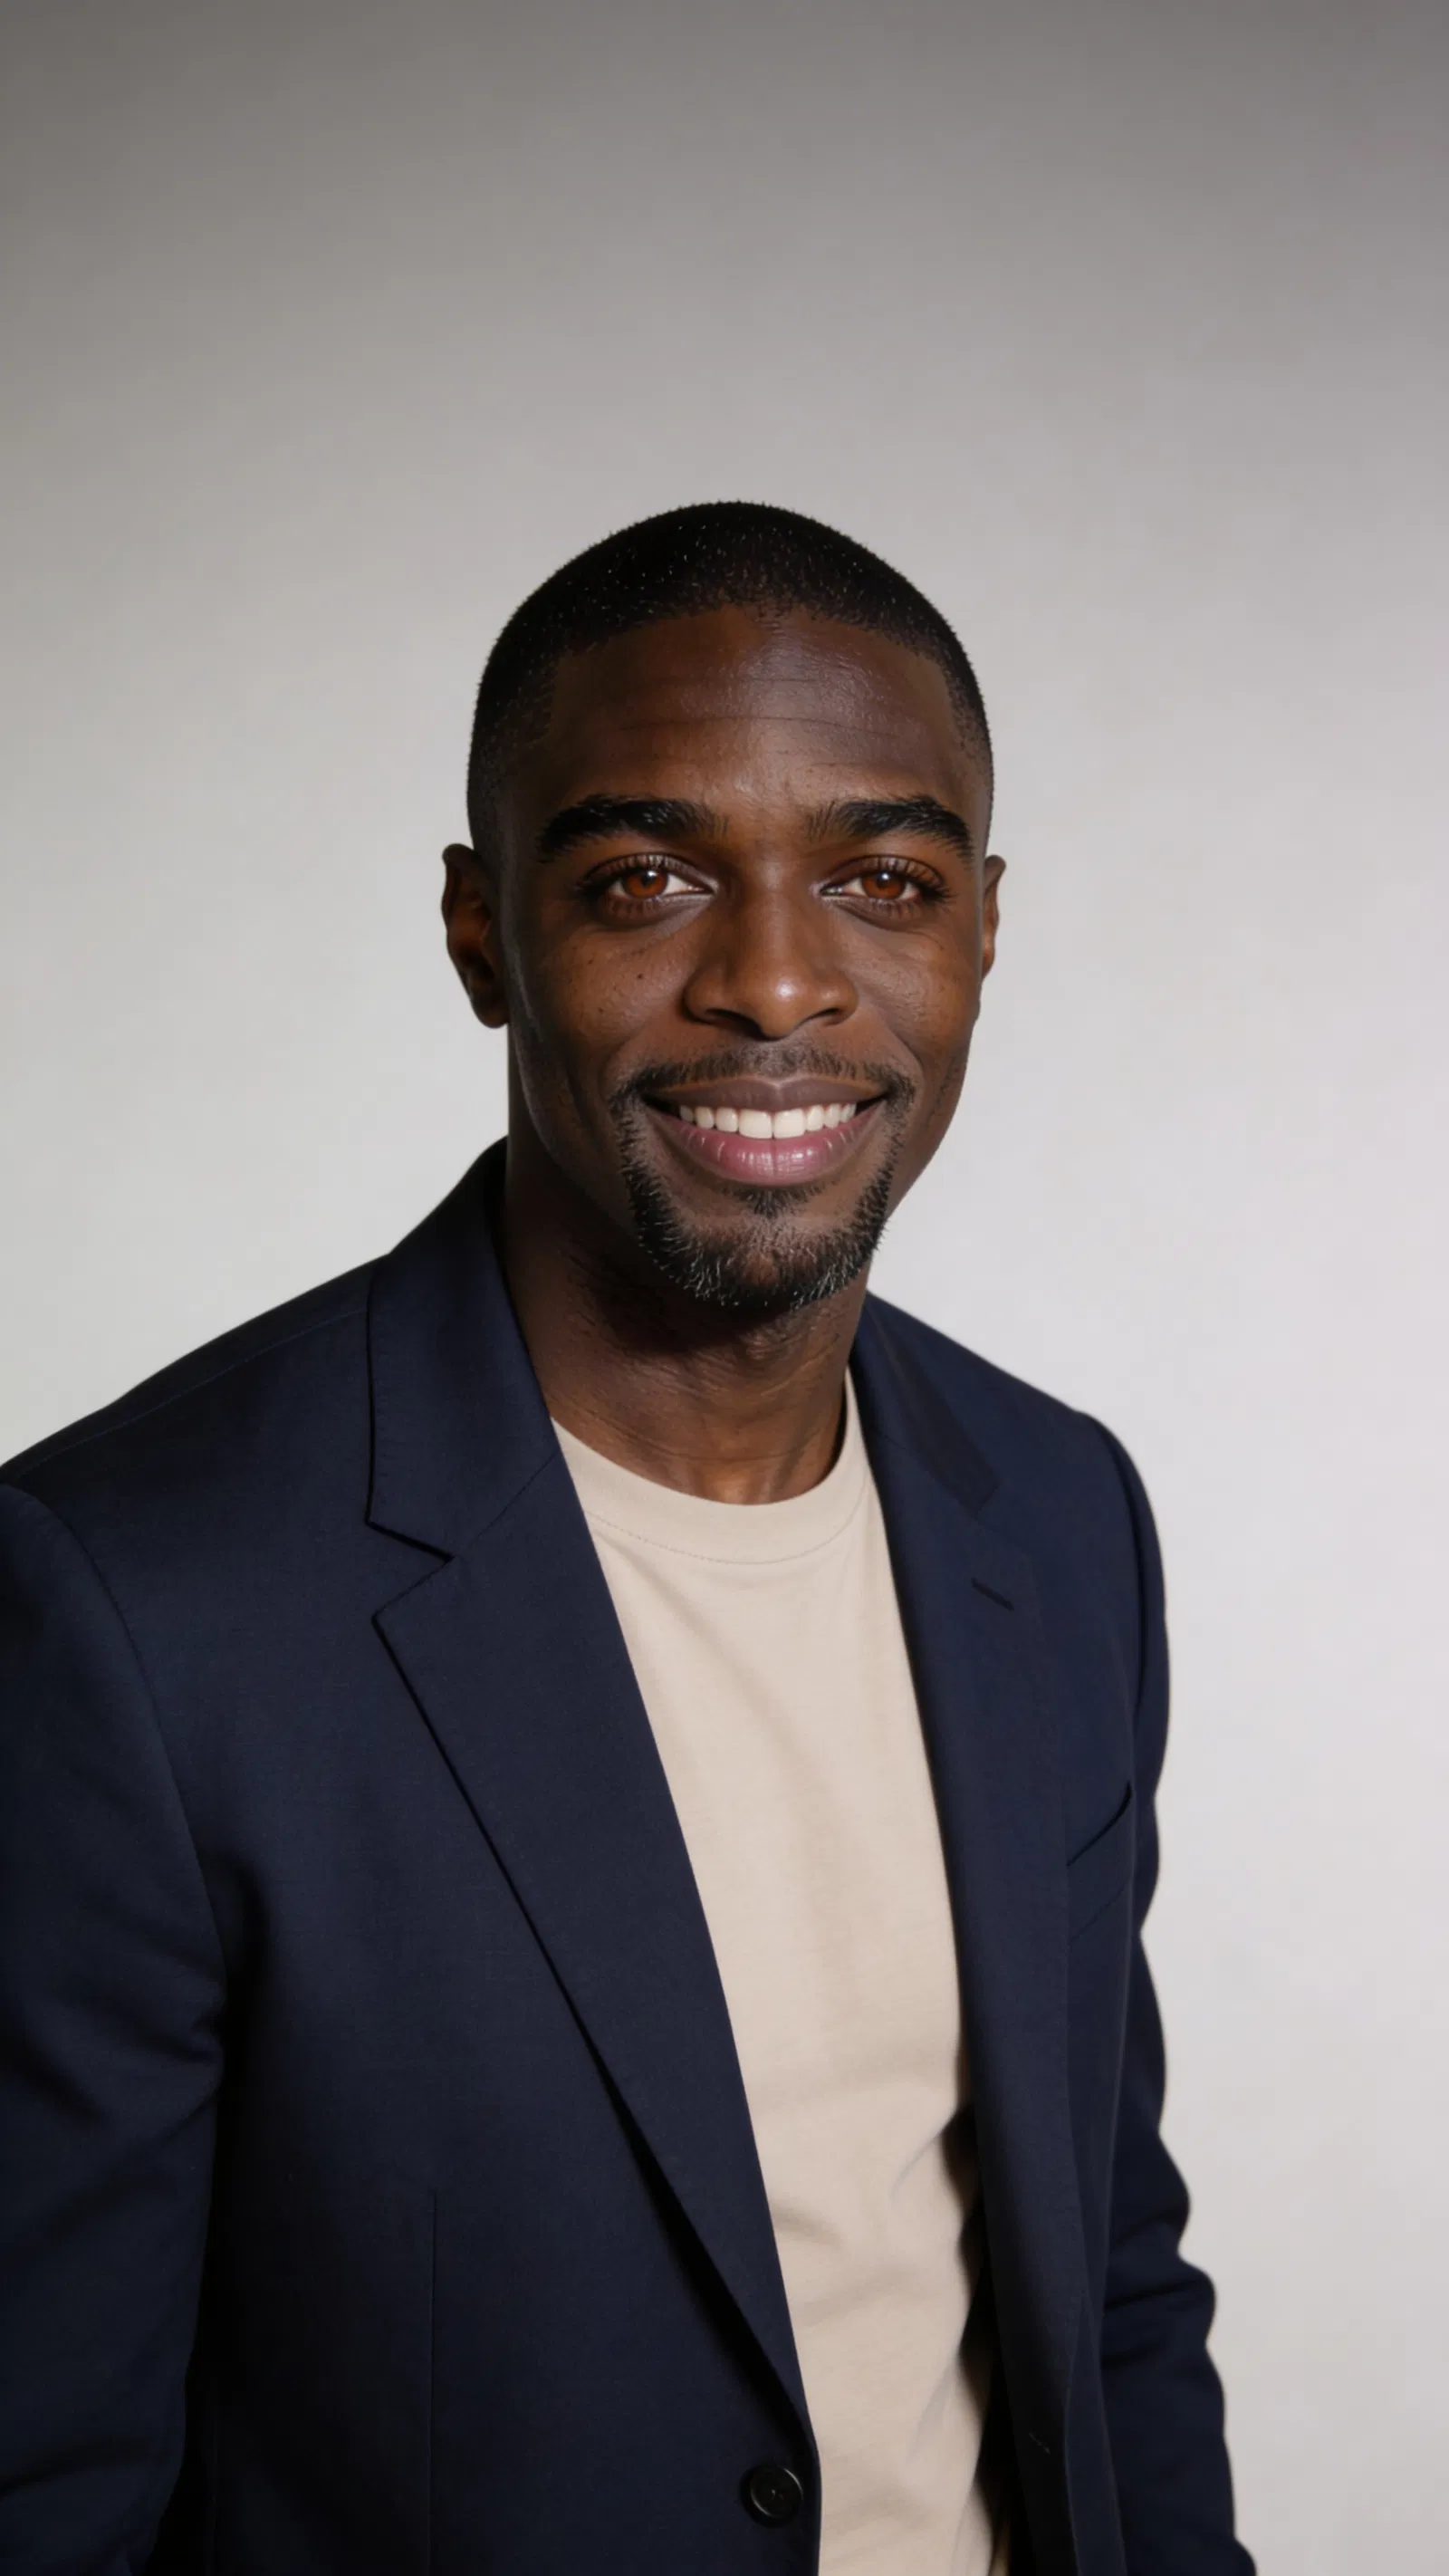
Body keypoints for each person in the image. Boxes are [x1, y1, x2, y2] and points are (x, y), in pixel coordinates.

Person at [0, 503, 1252, 2576]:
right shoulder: (129, 1604)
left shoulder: (1053, 1515)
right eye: (643, 879)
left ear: (980, 929)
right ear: (480, 932)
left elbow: (1105, 2276)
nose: (773, 981)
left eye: (879, 880)